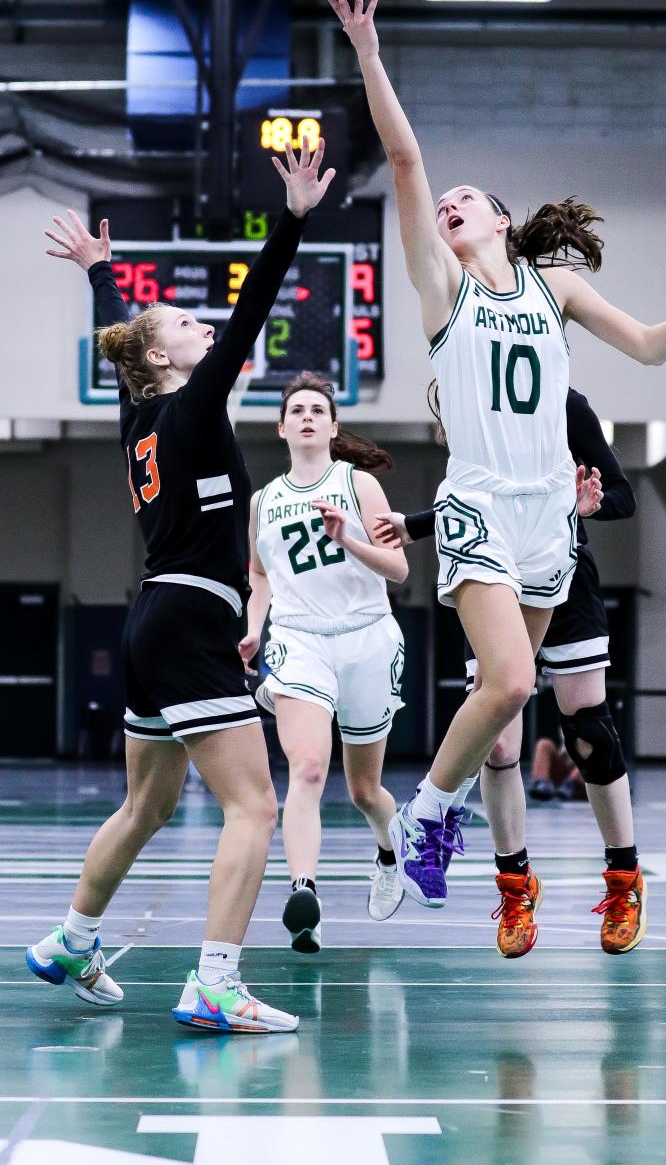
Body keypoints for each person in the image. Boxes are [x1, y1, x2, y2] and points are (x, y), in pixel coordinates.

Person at [326, 0, 666, 919]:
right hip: (478, 504)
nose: (449, 204)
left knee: (515, 703)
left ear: (504, 221)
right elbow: (403, 154)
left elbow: (644, 345)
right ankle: (429, 816)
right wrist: (368, 50)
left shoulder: (553, 289)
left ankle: (447, 823)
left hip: (550, 511)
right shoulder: (443, 291)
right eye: (444, 203)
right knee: (508, 681)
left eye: (469, 198)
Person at [26, 138, 334, 1033]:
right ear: (164, 359)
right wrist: (292, 221)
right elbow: (250, 315)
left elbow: (122, 342)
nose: (207, 329)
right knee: (256, 804)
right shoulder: (192, 405)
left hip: (148, 621)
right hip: (190, 616)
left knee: (149, 802)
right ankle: (215, 982)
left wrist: (101, 273)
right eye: (186, 328)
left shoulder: (138, 415)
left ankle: (71, 941)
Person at [376, 385, 643, 957]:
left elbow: (622, 494)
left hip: (562, 569)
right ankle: (515, 885)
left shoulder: (563, 402)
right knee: (498, 744)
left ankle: (624, 880)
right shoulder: (473, 396)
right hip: (490, 571)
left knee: (589, 731)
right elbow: (480, 498)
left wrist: (588, 504)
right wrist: (414, 525)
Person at [242, 372, 409, 951]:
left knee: (365, 790)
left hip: (366, 637)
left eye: (319, 409)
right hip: (298, 642)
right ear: (282, 426)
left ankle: (390, 853)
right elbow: (259, 576)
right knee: (308, 768)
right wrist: (251, 629)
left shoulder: (358, 485)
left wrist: (349, 540)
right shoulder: (264, 500)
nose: (309, 416)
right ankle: (303, 893)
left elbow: (399, 571)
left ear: (334, 427)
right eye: (298, 409)